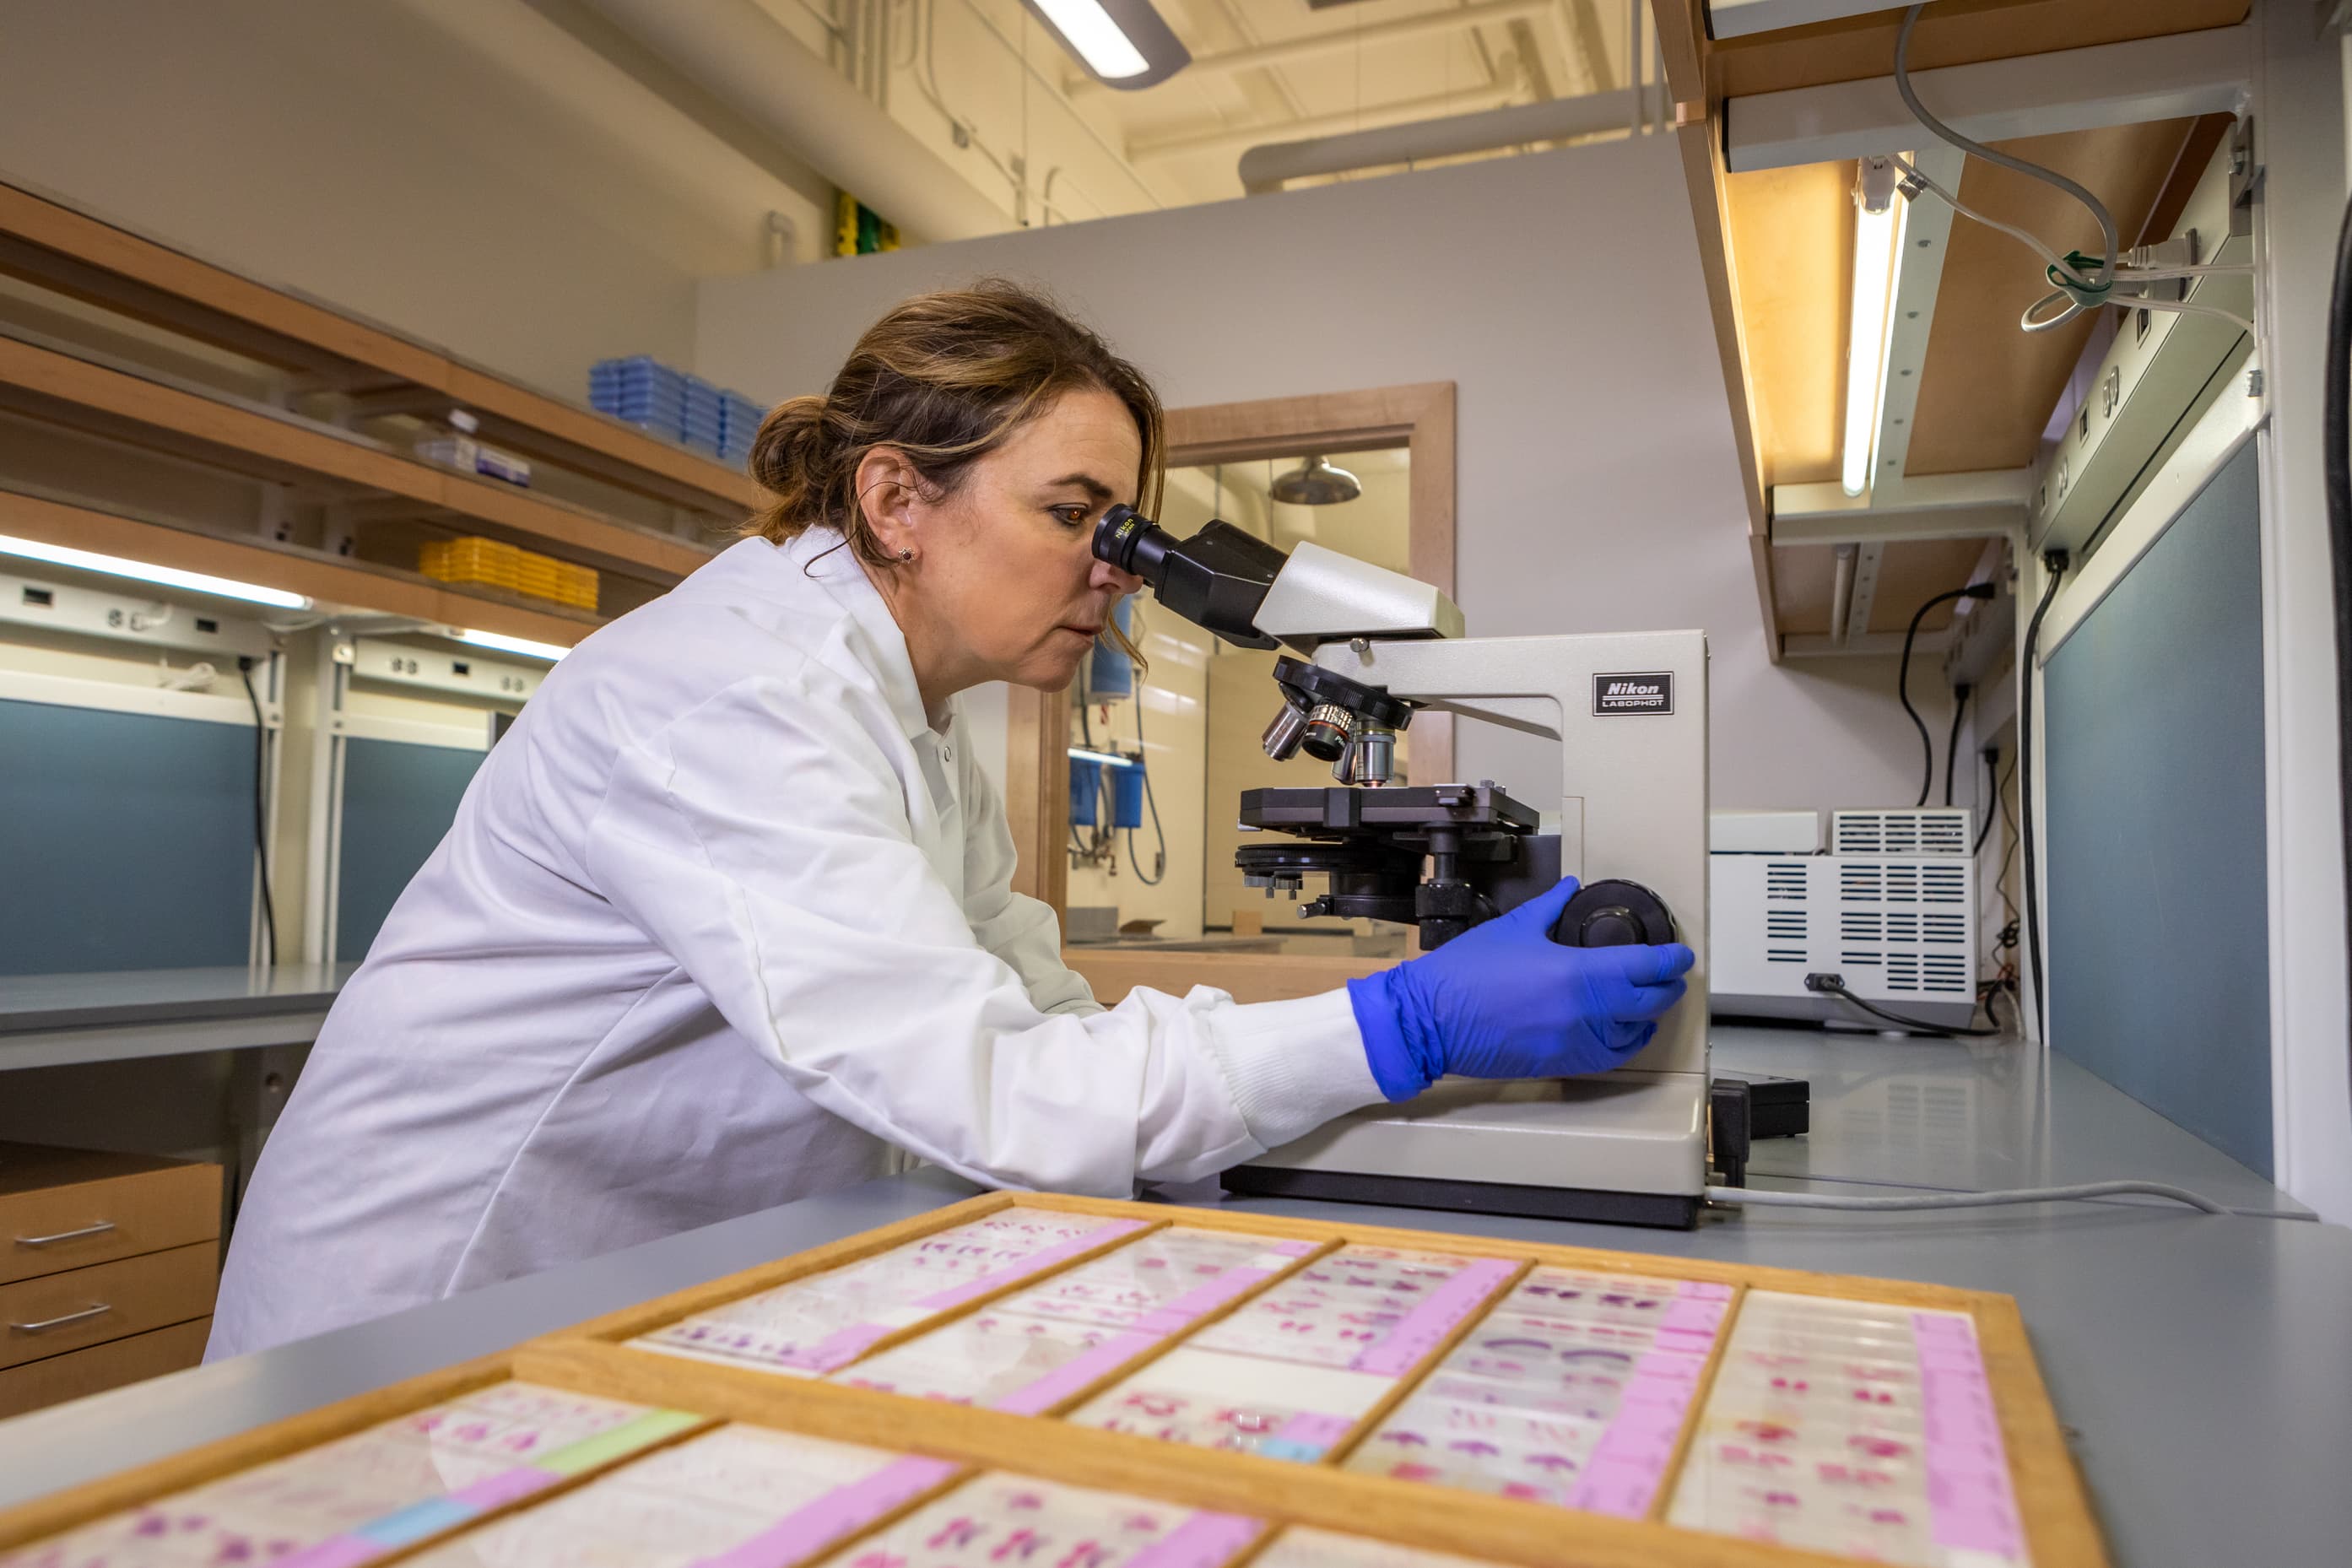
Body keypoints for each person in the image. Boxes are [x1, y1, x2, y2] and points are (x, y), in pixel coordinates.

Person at [208, 282, 1693, 1359]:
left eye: (1126, 528)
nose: (1118, 569)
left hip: (617, 1304)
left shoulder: (913, 722)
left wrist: (1359, 1085)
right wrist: (1400, 1029)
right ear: (898, 499)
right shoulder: (736, 694)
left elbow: (1039, 1021)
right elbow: (1000, 1093)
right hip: (417, 1317)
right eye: (1079, 516)